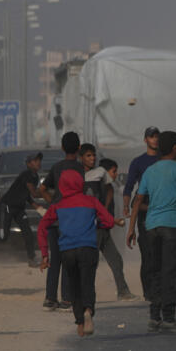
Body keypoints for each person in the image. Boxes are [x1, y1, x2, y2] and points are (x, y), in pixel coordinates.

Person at [126, 131, 176, 333]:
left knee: (155, 270)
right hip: (172, 226)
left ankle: (155, 316)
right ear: (174, 148)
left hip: (151, 227)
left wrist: (131, 228)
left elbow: (138, 200)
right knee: (171, 272)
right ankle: (169, 318)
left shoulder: (150, 171)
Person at [37, 162, 123, 336]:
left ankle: (79, 322)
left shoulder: (58, 206)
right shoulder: (91, 201)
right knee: (88, 282)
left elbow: (42, 228)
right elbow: (107, 220)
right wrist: (97, 223)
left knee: (74, 286)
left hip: (67, 251)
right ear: (80, 183)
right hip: (88, 248)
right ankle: (88, 311)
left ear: (61, 186)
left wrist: (45, 254)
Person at [81, 146, 134, 300]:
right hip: (94, 228)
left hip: (103, 228)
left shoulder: (107, 187)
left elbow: (109, 194)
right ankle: (84, 295)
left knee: (116, 260)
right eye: (113, 171)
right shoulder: (91, 182)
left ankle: (123, 291)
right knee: (91, 263)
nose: (115, 175)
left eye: (93, 156)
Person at [41, 132, 85, 311]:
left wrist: (53, 204)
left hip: (55, 218)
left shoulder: (57, 167)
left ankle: (50, 297)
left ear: (62, 147)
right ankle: (67, 298)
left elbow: (42, 188)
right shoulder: (81, 169)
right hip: (71, 219)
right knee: (69, 258)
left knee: (55, 259)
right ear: (79, 148)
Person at [123, 126, 162, 301]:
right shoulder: (138, 162)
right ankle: (149, 292)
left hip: (163, 209)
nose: (155, 140)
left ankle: (160, 289)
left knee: (162, 252)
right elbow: (129, 187)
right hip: (145, 210)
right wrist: (126, 207)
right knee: (147, 253)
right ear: (145, 139)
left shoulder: (165, 160)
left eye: (157, 137)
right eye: (151, 137)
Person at [0, 152, 44, 266]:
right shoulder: (26, 174)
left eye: (39, 160)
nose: (38, 162)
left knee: (27, 232)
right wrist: (48, 192)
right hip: (8, 205)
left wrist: (40, 210)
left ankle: (32, 259)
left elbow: (28, 196)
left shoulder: (35, 177)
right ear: (28, 164)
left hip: (19, 208)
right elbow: (33, 193)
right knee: (3, 235)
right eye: (35, 160)